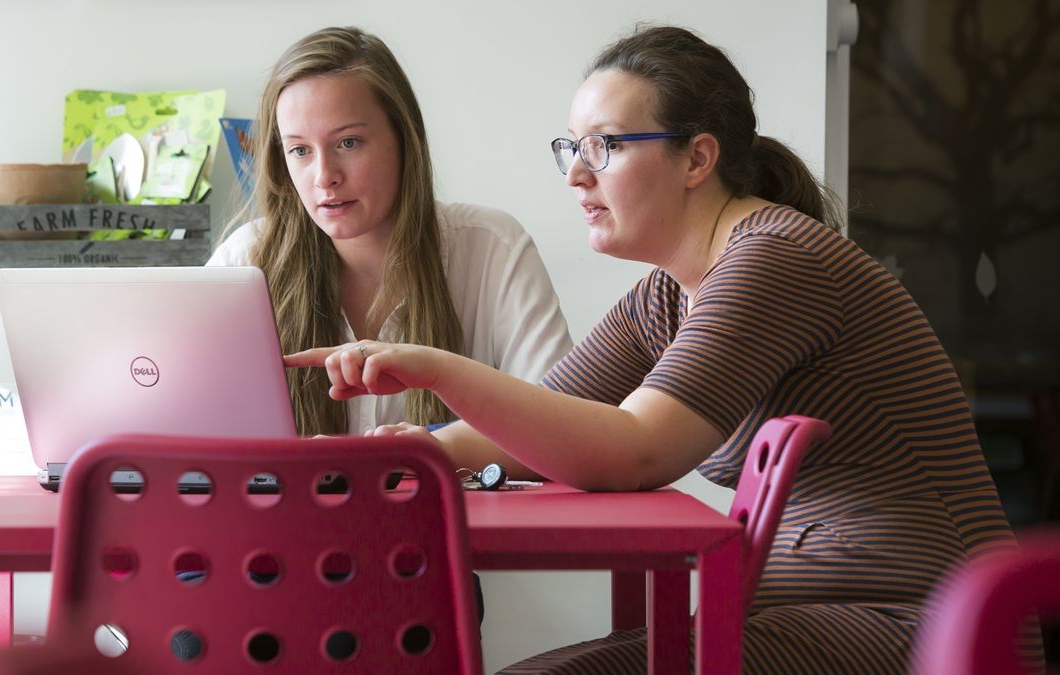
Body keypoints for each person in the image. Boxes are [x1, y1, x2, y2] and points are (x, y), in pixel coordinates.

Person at [286, 25, 1032, 674]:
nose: (577, 174)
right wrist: (416, 450)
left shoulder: (773, 257)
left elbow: (635, 450)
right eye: (571, 148)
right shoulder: (671, 292)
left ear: (697, 159)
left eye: (603, 147)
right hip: (824, 614)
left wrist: (429, 364)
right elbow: (551, 417)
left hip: (926, 626)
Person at [208, 26, 573, 437]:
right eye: (300, 150)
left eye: (348, 143)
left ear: (404, 138)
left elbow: (560, 431)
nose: (324, 177)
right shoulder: (243, 264)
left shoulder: (493, 250)